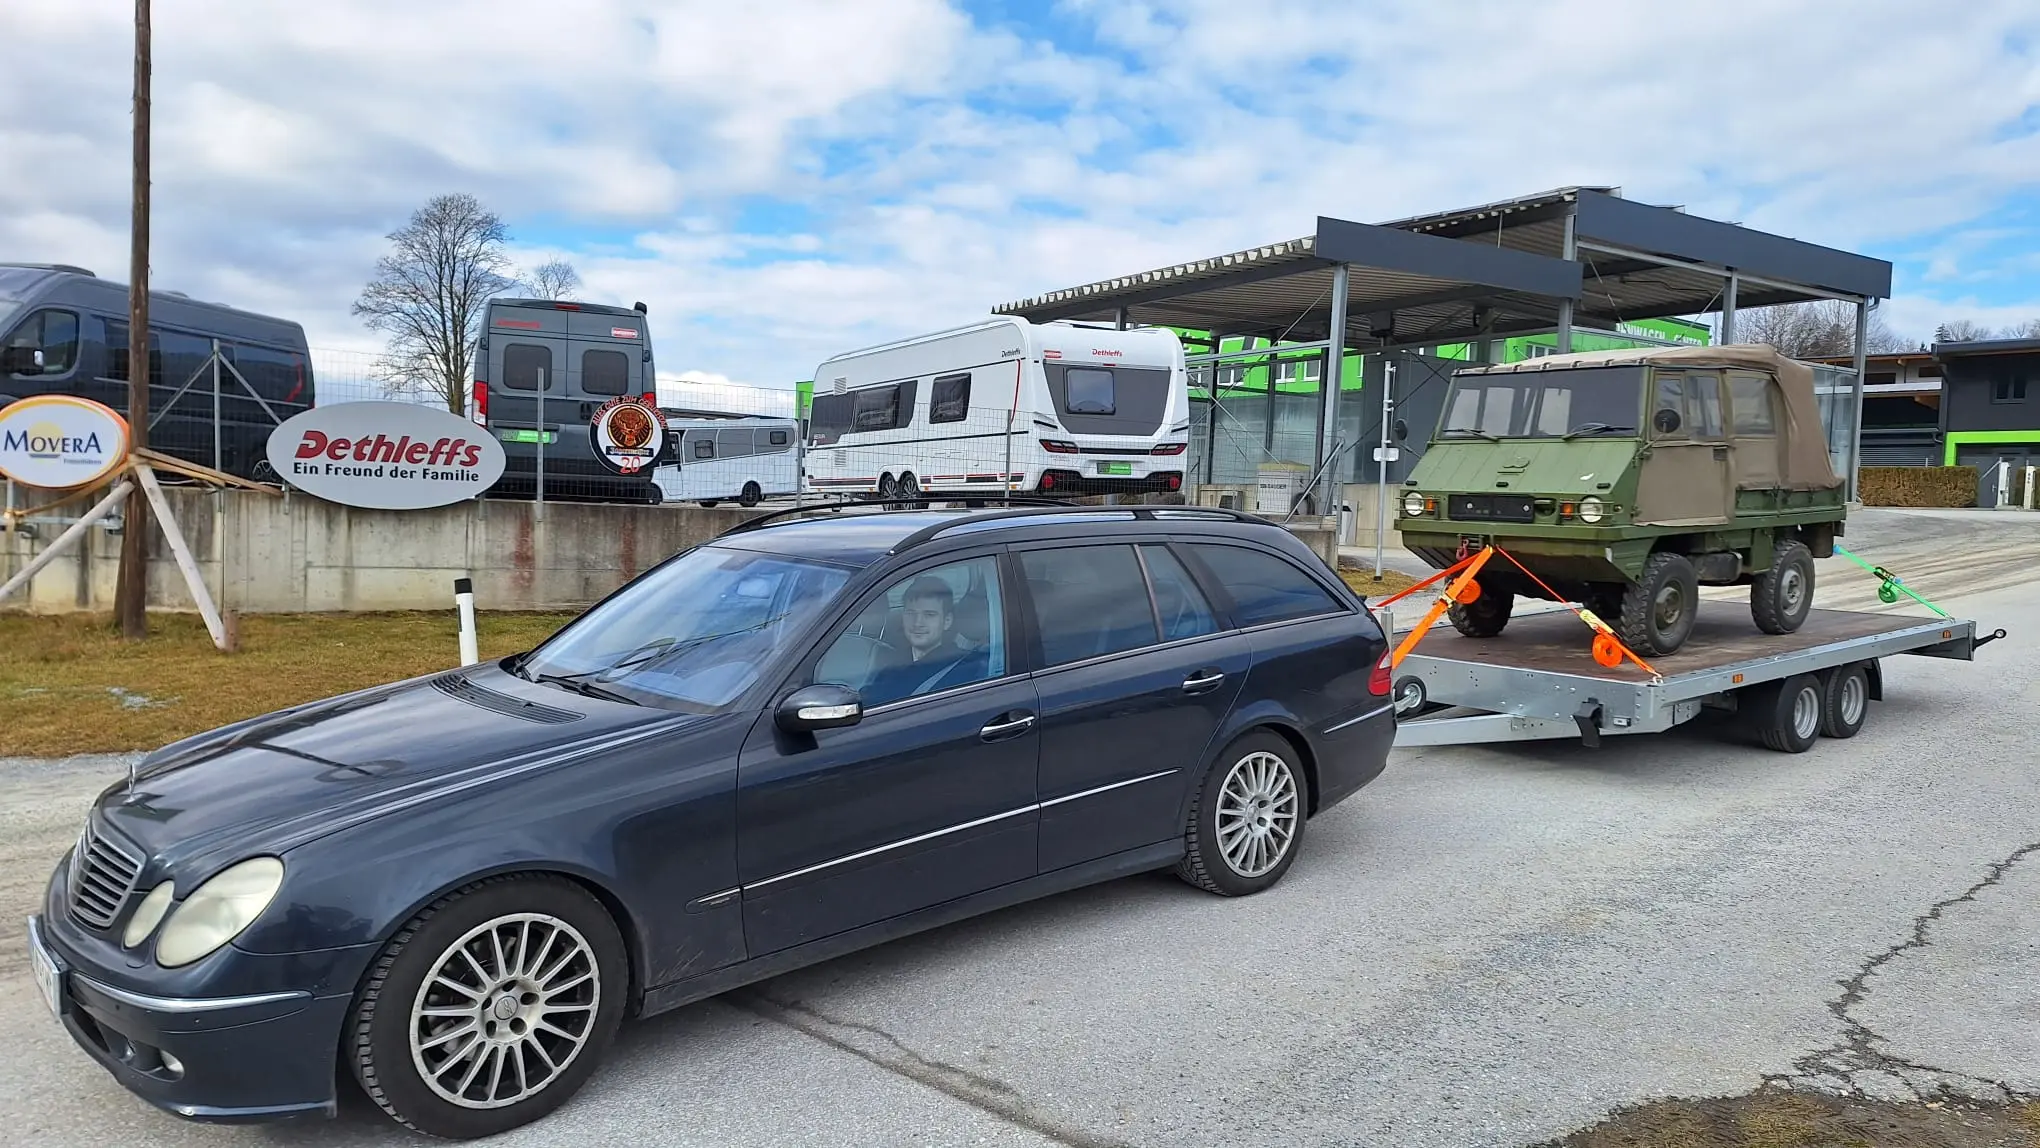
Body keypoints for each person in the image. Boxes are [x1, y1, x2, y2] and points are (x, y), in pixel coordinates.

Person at [863, 575, 987, 705]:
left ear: (947, 621)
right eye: (911, 613)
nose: (918, 623)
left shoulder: (965, 668)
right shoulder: (891, 667)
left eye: (929, 615)